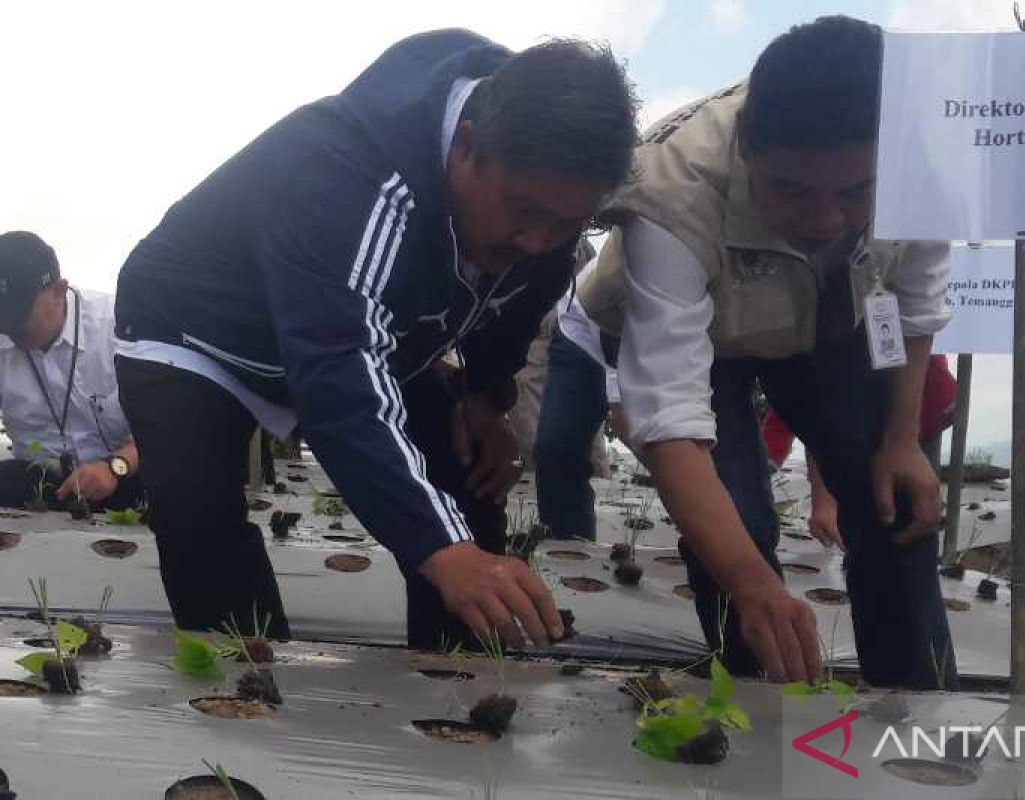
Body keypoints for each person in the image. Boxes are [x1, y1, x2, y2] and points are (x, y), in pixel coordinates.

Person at [113, 30, 639, 646]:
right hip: (195, 330)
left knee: (464, 475)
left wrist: (486, 396)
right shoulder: (355, 177)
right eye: (523, 211)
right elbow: (340, 382)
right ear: (464, 147)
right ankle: (244, 689)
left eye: (566, 223)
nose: (535, 240)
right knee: (196, 511)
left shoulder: (538, 198)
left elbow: (526, 293)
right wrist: (444, 550)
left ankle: (465, 683)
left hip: (359, 330)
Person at [578, 16, 957, 688]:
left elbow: (913, 299)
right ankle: (754, 711)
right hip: (707, 339)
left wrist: (903, 439)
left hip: (828, 324)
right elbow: (671, 419)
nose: (825, 220)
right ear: (748, 147)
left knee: (896, 500)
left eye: (854, 193)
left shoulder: (923, 154)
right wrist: (754, 584)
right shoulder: (671, 193)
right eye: (792, 191)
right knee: (735, 534)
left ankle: (917, 718)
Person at [0, 232, 143, 512]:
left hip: (124, 475)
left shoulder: (121, 327)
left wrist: (114, 468)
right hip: (43, 488)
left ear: (58, 290)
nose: (10, 329)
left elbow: (168, 429)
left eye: (19, 315)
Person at [804, 353, 957, 551]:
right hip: (852, 407)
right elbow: (815, 398)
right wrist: (822, 495)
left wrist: (903, 439)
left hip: (921, 407)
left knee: (910, 517)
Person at [533, 254, 628, 541]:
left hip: (663, 339)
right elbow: (625, 415)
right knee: (556, 448)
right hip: (584, 328)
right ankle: (570, 552)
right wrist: (619, 401)